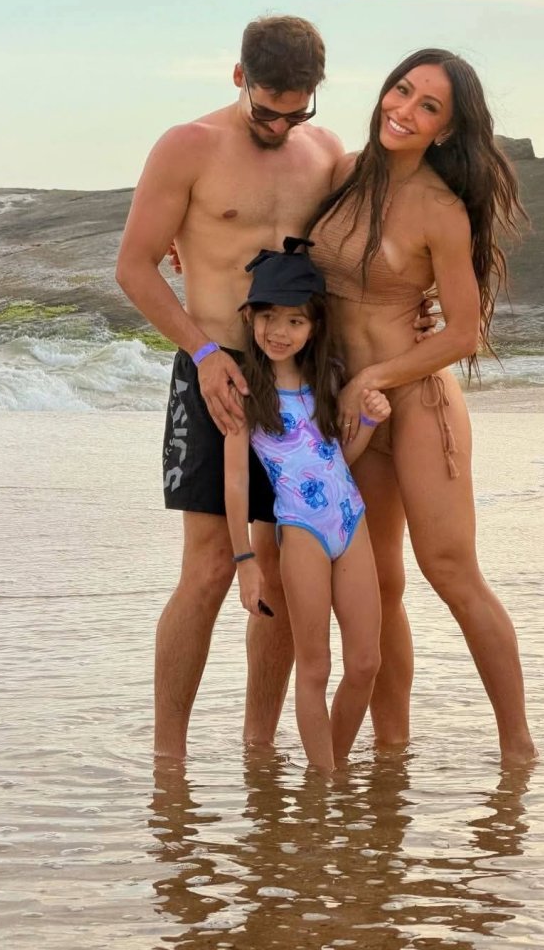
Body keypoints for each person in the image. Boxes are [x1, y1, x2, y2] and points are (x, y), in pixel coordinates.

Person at [115, 15, 416, 759]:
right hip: (216, 366)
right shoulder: (187, 146)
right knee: (210, 566)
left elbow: (367, 248)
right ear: (238, 78)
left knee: (282, 564)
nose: (281, 126)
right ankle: (168, 758)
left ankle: (259, 747)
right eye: (267, 111)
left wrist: (422, 299)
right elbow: (134, 266)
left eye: (296, 112)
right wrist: (203, 352)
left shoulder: (326, 154)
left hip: (299, 379)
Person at [308, 48, 537, 765]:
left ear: (447, 129)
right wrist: (192, 249)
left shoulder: (441, 211)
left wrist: (376, 375)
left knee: (450, 571)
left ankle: (518, 748)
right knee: (379, 584)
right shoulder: (342, 175)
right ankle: (392, 745)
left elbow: (463, 333)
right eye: (401, 91)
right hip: (353, 408)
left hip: (413, 403)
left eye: (428, 106)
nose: (404, 110)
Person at [224, 239, 390, 773]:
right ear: (249, 317)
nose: (279, 331)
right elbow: (234, 482)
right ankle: (325, 786)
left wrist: (368, 422)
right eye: (268, 317)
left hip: (351, 521)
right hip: (300, 531)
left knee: (365, 662)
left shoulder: (328, 379)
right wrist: (245, 561)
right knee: (314, 667)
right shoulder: (244, 391)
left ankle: (330, 768)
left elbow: (336, 457)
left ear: (313, 326)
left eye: (294, 320)